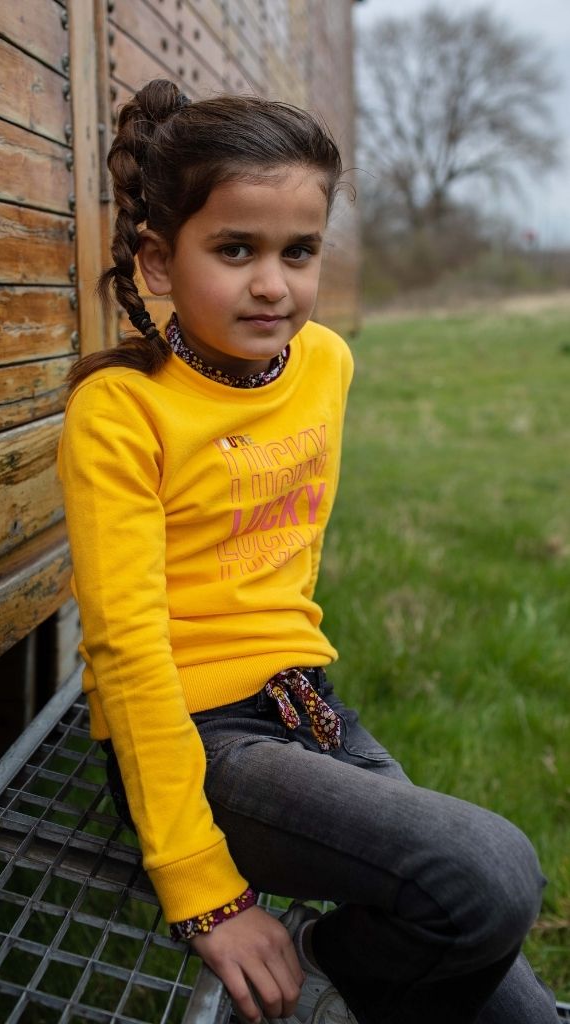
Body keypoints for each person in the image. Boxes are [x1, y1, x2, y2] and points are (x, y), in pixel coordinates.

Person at [58, 79, 557, 1024]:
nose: (274, 284)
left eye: (301, 251)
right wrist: (203, 886)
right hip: (195, 741)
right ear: (160, 260)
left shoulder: (326, 361)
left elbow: (288, 549)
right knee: (494, 877)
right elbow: (126, 653)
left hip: (307, 705)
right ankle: (332, 969)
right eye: (235, 249)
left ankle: (351, 971)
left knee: (498, 955)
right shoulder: (119, 413)